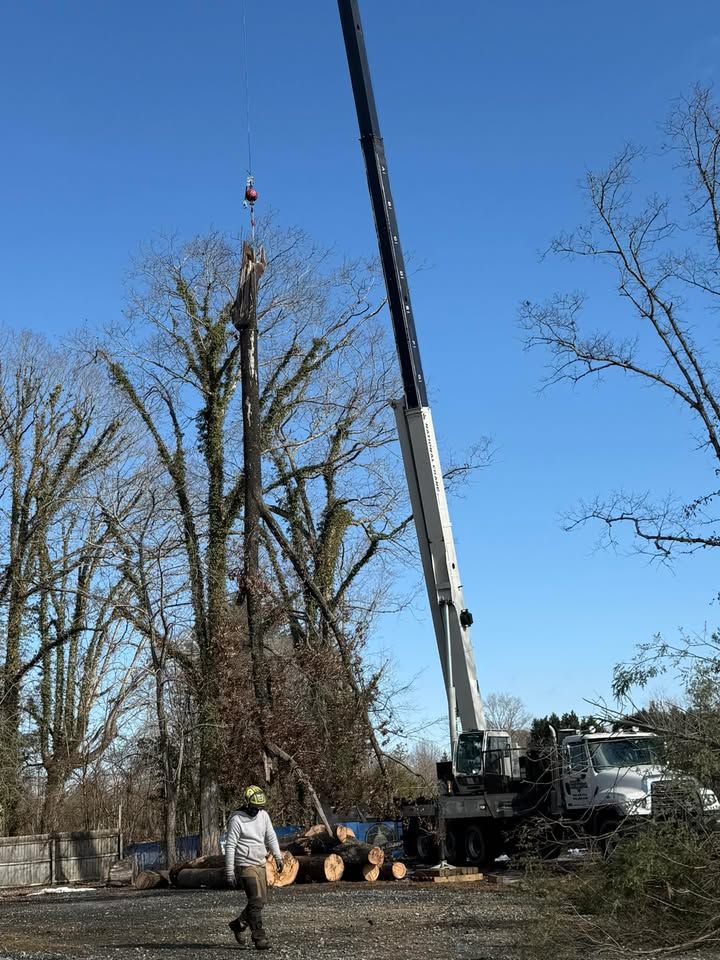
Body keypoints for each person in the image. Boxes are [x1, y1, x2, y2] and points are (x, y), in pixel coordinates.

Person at [225, 785, 284, 950]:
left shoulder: (263, 816)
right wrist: (230, 871)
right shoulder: (237, 819)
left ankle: (238, 924)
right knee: (256, 900)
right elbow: (230, 845)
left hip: (260, 862)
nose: (256, 810)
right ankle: (259, 938)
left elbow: (270, 836)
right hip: (245, 864)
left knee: (260, 901)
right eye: (254, 807)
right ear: (247, 803)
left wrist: (278, 856)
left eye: (259, 807)